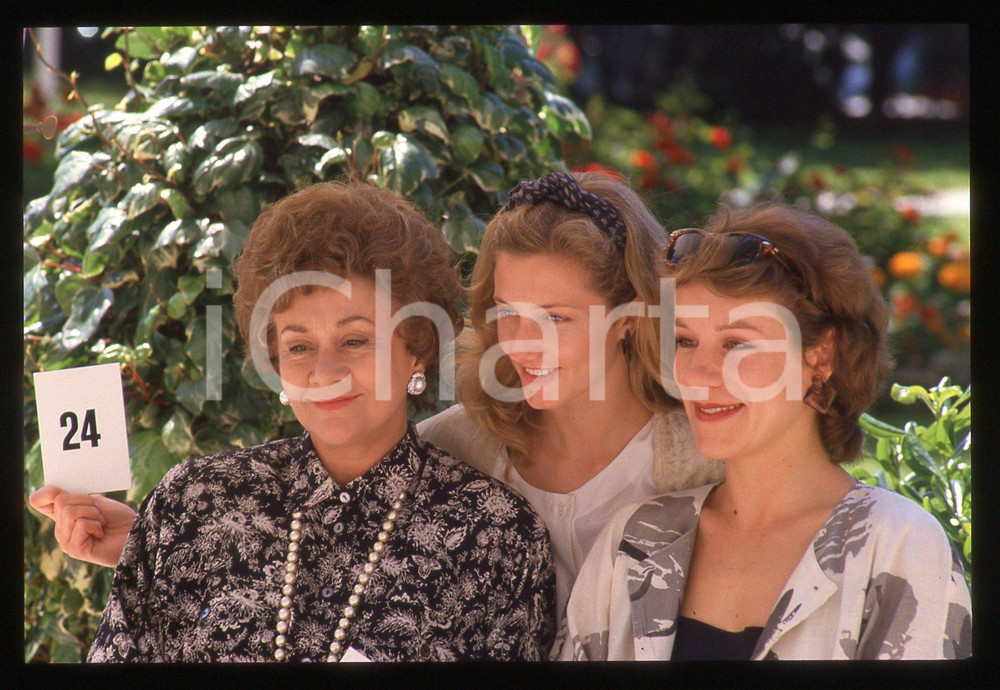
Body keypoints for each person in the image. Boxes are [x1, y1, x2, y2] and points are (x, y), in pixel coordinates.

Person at [31, 172, 723, 652]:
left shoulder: (698, 461)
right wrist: (165, 539)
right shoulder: (464, 441)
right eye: (507, 314)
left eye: (356, 339)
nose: (523, 343)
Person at [559, 203, 972, 661]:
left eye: (738, 344)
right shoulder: (635, 541)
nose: (698, 374)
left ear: (820, 355)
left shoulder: (897, 547)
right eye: (685, 340)